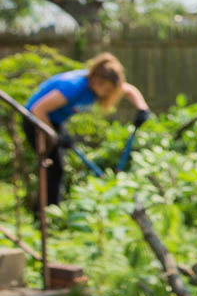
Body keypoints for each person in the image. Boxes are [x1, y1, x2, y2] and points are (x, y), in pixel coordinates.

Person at [23, 53, 151, 205]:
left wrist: (142, 109)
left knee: (56, 168)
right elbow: (38, 109)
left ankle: (49, 210)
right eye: (108, 89)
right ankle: (45, 215)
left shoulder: (96, 85)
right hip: (35, 120)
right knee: (53, 168)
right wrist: (55, 135)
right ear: (98, 81)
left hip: (53, 121)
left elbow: (129, 90)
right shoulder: (74, 87)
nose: (109, 93)